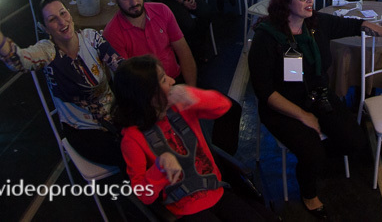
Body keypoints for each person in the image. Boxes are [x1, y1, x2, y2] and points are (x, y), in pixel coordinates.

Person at [248, 0, 382, 217]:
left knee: (355, 141)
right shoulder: (267, 38)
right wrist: (302, 116)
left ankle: (316, 161)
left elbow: (357, 25)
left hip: (316, 95)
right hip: (282, 106)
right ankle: (309, 192)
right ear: (284, 2)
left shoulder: (315, 24)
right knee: (312, 151)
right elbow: (265, 92)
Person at [0, 0, 125, 170]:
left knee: (145, 139)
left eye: (63, 13)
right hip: (84, 130)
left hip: (116, 115)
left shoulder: (91, 38)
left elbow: (120, 66)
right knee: (128, 154)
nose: (62, 21)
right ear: (45, 28)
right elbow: (20, 61)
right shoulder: (47, 51)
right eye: (53, 19)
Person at [113, 55, 268, 221]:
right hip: (185, 208)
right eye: (164, 79)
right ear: (149, 96)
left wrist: (193, 96)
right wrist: (159, 168)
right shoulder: (132, 139)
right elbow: (144, 195)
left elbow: (223, 107)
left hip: (216, 190)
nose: (172, 81)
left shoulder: (179, 106)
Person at [105, 0, 241, 156]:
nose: (134, 2)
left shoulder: (162, 11)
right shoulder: (112, 33)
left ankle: (222, 164)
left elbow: (184, 52)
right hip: (149, 97)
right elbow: (130, 86)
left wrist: (191, 92)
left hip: (176, 81)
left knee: (231, 110)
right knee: (181, 144)